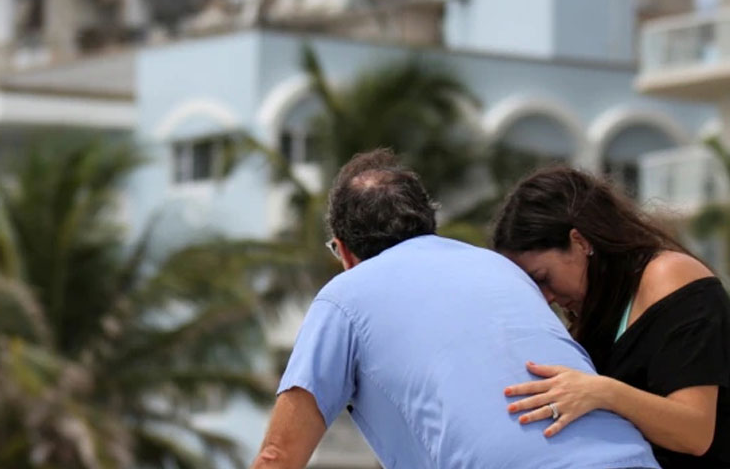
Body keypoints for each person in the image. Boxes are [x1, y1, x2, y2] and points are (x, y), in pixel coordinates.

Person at [250, 149, 659, 469]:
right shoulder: (501, 268)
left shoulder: (344, 295)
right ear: (429, 225)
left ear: (343, 250)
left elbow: (278, 456)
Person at [491, 166, 730, 469]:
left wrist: (602, 392)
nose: (545, 297)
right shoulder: (597, 308)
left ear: (580, 242)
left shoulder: (672, 278)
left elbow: (695, 432)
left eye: (543, 278)